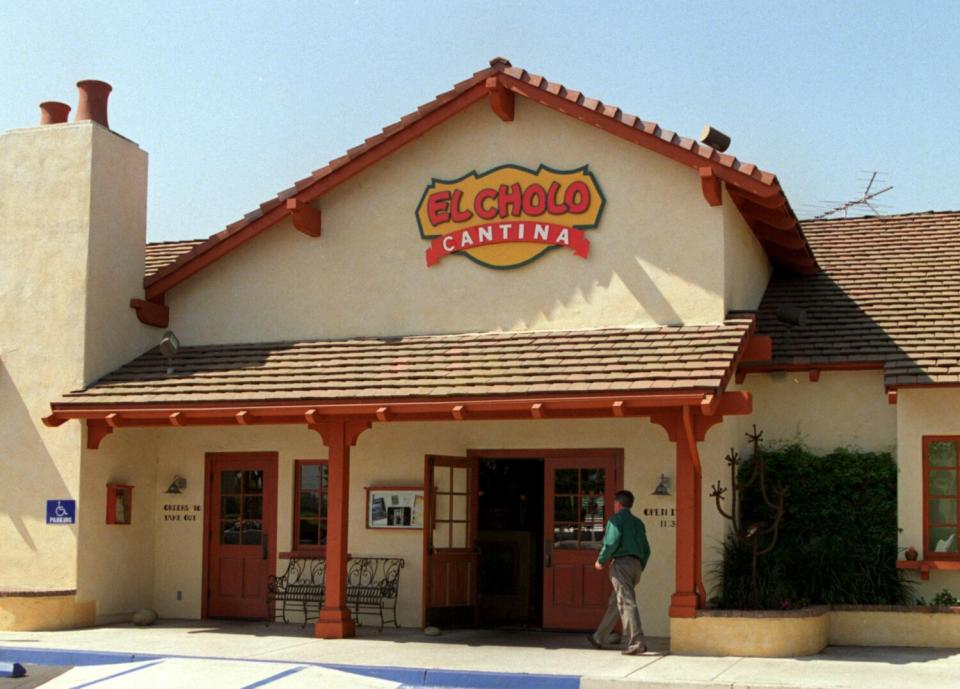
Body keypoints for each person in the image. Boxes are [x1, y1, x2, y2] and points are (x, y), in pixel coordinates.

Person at [586, 489, 651, 655]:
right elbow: (646, 549)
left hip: (621, 565)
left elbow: (611, 542)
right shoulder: (638, 523)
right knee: (616, 601)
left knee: (626, 602)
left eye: (614, 503)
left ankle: (636, 642)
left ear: (618, 504)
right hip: (636, 565)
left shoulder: (616, 520)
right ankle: (599, 637)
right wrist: (639, 565)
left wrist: (601, 560)